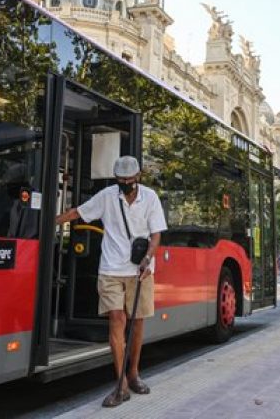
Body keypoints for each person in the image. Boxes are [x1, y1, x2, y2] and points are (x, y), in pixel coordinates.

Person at [55, 155, 167, 408]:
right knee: (117, 320)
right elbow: (79, 212)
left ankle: (134, 373)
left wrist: (147, 259)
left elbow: (156, 234)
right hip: (111, 270)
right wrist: (50, 221)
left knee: (137, 323)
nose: (125, 183)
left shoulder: (150, 198)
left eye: (129, 179)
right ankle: (121, 384)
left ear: (138, 177)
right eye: (120, 179)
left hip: (141, 270)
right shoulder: (107, 196)